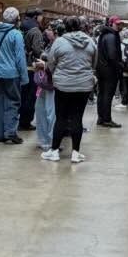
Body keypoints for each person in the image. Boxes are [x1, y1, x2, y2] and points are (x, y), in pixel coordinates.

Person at [46, 16, 97, 162]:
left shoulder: (59, 42)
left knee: (60, 117)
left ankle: (54, 151)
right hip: (84, 85)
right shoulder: (90, 41)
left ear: (66, 27)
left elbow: (51, 62)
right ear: (80, 26)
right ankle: (75, 153)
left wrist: (58, 74)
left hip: (63, 85)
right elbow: (94, 63)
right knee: (77, 118)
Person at [0, 5, 28, 144]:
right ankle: (10, 132)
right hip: (12, 74)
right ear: (16, 20)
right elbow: (20, 58)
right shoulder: (16, 35)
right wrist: (24, 77)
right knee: (13, 102)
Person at [17, 8, 46, 130]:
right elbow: (37, 50)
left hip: (20, 65)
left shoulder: (20, 27)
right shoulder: (36, 31)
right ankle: (25, 122)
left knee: (22, 96)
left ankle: (20, 120)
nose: (42, 19)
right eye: (41, 16)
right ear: (36, 17)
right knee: (30, 97)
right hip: (31, 67)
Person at [34, 22, 59, 157]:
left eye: (49, 29)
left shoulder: (59, 44)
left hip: (53, 84)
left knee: (51, 112)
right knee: (41, 110)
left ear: (55, 31)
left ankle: (51, 141)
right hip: (45, 83)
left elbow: (58, 65)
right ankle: (43, 140)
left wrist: (45, 65)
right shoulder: (50, 44)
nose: (46, 31)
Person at [95, 17, 123, 127]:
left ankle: (101, 118)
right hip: (109, 70)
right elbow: (112, 55)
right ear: (111, 24)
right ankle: (106, 119)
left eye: (120, 24)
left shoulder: (104, 35)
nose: (119, 26)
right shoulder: (111, 36)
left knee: (101, 94)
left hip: (102, 69)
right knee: (107, 95)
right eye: (117, 24)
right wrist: (120, 65)